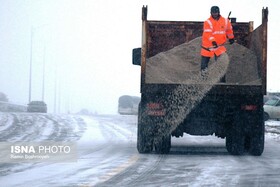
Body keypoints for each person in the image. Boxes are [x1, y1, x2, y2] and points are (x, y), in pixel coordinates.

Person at [200, 6, 235, 80]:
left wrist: (231, 38)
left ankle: (222, 82)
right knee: (204, 65)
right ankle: (203, 81)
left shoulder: (225, 21)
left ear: (219, 12)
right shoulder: (207, 22)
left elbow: (229, 30)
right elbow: (208, 34)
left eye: (216, 12)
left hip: (219, 46)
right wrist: (213, 41)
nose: (215, 14)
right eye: (213, 13)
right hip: (207, 46)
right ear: (211, 13)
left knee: (221, 64)